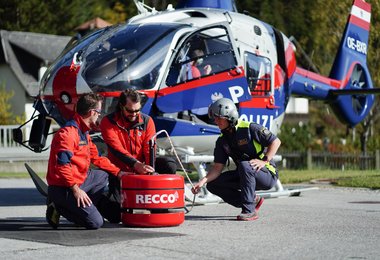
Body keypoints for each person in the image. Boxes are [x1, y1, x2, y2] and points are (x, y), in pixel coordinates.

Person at [46, 93, 127, 229]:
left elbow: (97, 158)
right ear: (92, 112)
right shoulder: (68, 134)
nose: (99, 115)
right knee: (96, 223)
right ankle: (57, 206)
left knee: (103, 175)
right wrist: (76, 189)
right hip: (64, 186)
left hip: (81, 179)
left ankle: (86, 204)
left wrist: (119, 173)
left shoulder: (84, 132)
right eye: (99, 112)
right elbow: (62, 166)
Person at [191, 98, 281, 221]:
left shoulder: (250, 128)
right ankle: (252, 201)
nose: (216, 121)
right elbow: (217, 168)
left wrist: (264, 160)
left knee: (245, 165)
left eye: (219, 117)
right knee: (212, 185)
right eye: (215, 118)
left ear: (230, 116)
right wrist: (203, 181)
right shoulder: (222, 140)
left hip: (266, 174)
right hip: (245, 173)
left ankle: (249, 211)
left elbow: (275, 141)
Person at [99, 89, 177, 216]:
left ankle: (158, 201)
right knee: (114, 214)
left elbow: (149, 148)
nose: (134, 114)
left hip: (142, 167)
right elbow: (116, 149)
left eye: (137, 110)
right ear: (121, 106)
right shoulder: (108, 122)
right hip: (120, 171)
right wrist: (136, 164)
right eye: (130, 111)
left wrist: (150, 169)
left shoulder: (147, 121)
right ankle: (99, 200)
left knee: (169, 164)